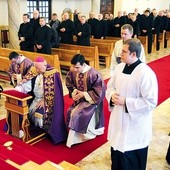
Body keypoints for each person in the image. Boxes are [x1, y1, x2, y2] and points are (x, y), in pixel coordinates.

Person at [106, 38, 158, 170]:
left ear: (133, 54)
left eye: (124, 52)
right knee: (117, 159)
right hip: (118, 121)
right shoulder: (119, 68)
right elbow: (110, 87)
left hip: (135, 127)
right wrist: (111, 96)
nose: (120, 54)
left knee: (131, 163)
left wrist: (126, 102)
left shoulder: (145, 73)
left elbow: (151, 102)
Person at [15, 56, 67, 144]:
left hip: (48, 101)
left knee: (39, 115)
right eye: (35, 67)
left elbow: (56, 93)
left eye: (38, 68)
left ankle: (44, 131)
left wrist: (45, 100)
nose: (37, 70)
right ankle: (34, 128)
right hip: (35, 99)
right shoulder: (35, 71)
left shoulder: (53, 73)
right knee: (24, 109)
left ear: (45, 65)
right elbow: (27, 83)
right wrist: (19, 88)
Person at [66, 54, 106, 147]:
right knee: (69, 111)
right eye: (73, 67)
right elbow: (70, 83)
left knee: (76, 114)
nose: (75, 70)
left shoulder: (94, 74)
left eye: (77, 67)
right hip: (79, 100)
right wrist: (75, 92)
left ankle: (84, 135)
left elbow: (99, 91)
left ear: (83, 64)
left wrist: (83, 94)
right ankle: (74, 136)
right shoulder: (74, 71)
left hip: (91, 101)